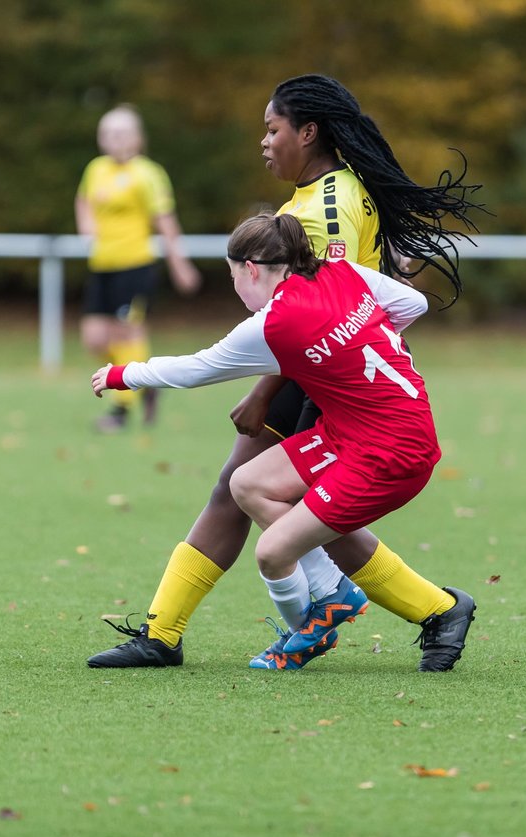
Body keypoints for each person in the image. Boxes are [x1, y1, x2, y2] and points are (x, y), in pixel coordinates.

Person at [87, 74, 480, 672]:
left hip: (318, 378)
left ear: (308, 131)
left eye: (273, 130)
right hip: (327, 369)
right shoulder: (337, 190)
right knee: (263, 497)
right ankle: (424, 609)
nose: (265, 143)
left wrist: (261, 392)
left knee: (247, 492)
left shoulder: (324, 207)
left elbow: (312, 310)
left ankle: (183, 631)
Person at [93, 213, 447, 670]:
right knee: (246, 484)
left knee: (272, 551)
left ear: (252, 268)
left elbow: (199, 368)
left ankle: (306, 635)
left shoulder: (274, 323)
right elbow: (412, 304)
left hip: (390, 450)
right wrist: (358, 345)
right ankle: (333, 596)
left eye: (232, 275)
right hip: (359, 429)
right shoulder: (342, 272)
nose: (236, 287)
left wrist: (122, 374)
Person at [75, 104, 201, 432]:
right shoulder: (96, 169)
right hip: (102, 265)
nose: (112, 139)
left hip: (135, 266)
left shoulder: (149, 174)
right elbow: (83, 201)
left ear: (136, 138)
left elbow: (166, 221)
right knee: (93, 338)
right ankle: (146, 383)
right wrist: (86, 224)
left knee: (125, 332)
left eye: (119, 132)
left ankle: (119, 409)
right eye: (106, 133)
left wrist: (180, 264)